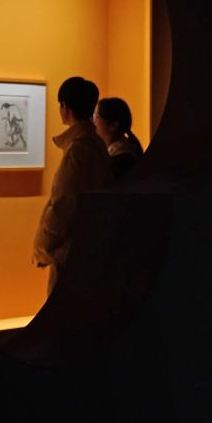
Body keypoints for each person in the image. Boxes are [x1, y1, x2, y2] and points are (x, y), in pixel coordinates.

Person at [32, 76, 110, 293]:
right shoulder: (96, 144)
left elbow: (63, 204)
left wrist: (42, 247)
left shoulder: (78, 149)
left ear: (65, 108)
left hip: (69, 252)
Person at [93, 96, 144, 180]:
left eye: (96, 117)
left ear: (113, 126)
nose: (93, 123)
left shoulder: (122, 161)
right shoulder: (117, 153)